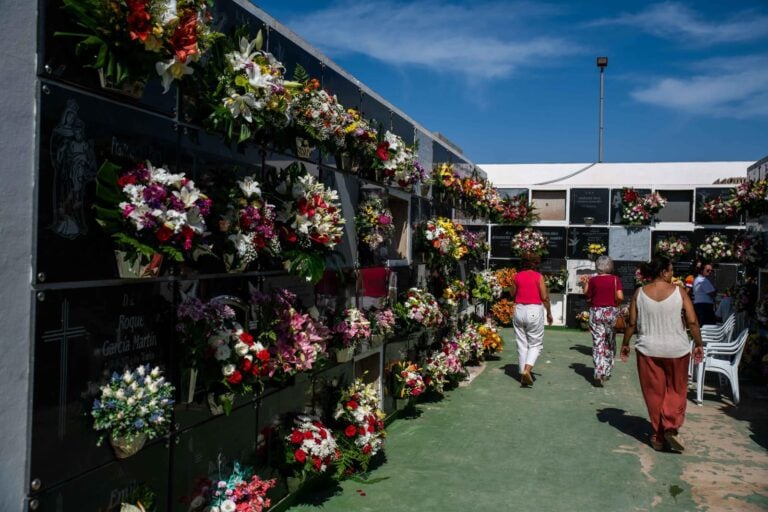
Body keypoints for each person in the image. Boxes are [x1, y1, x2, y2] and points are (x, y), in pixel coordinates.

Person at [620, 256, 704, 452]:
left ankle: (657, 437)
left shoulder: (639, 293)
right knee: (676, 389)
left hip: (648, 349)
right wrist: (699, 344)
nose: (673, 274)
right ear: (664, 272)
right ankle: (671, 426)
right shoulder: (679, 292)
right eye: (671, 270)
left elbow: (632, 323)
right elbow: (692, 321)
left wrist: (625, 343)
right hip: (677, 349)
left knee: (653, 393)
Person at [508, 252, 553, 387]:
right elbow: (544, 297)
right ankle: (527, 371)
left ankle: (523, 376)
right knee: (535, 344)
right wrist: (549, 313)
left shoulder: (517, 276)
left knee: (522, 344)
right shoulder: (538, 277)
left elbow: (512, 293)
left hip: (519, 310)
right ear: (536, 263)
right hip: (534, 310)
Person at [584, 255, 624, 386]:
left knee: (598, 342)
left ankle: (598, 371)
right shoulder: (615, 279)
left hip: (596, 312)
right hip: (610, 313)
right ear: (610, 266)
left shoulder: (593, 280)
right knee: (609, 342)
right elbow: (620, 297)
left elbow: (588, 296)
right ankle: (606, 370)